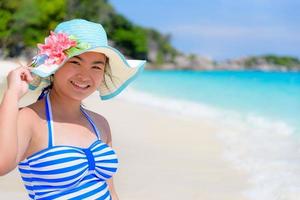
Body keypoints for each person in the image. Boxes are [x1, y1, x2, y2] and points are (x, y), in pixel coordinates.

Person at [0, 19, 146, 200]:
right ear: (54, 67)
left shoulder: (100, 124)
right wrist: (12, 94)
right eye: (75, 62)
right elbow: (1, 164)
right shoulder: (30, 118)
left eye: (96, 67)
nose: (85, 75)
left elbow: (111, 191)